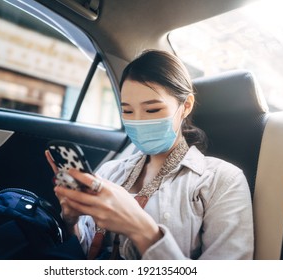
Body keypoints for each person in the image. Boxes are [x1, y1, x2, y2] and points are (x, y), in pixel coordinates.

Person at [45, 50, 254, 260]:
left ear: (186, 106)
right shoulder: (109, 172)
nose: (138, 121)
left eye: (152, 110)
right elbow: (85, 248)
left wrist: (142, 230)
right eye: (127, 111)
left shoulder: (222, 180)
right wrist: (70, 221)